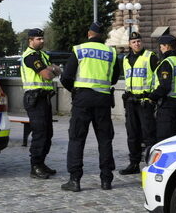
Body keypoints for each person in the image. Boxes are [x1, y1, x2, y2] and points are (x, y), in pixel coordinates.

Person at [60, 22, 120, 192]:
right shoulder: (111, 52)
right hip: (103, 99)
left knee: (77, 139)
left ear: (89, 33)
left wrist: (75, 91)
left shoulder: (79, 49)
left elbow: (66, 77)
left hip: (82, 100)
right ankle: (106, 180)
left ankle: (75, 180)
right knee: (105, 139)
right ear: (103, 36)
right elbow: (114, 78)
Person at [20, 28, 62, 180]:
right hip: (34, 98)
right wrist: (51, 69)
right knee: (40, 133)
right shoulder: (30, 56)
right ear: (30, 40)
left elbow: (57, 70)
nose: (42, 41)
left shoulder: (43, 55)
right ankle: (35, 166)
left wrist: (52, 69)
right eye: (38, 39)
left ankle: (42, 163)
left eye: (42, 38)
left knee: (47, 133)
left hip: (44, 98)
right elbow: (48, 75)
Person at [118, 31, 158, 175]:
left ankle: (152, 164)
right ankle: (134, 163)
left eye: (139, 41)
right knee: (132, 134)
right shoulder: (125, 59)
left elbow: (157, 78)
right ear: (129, 44)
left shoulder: (150, 57)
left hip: (145, 101)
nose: (137, 44)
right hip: (130, 102)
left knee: (149, 134)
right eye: (134, 42)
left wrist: (153, 97)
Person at [149, 34, 176, 143]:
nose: (160, 48)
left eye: (161, 45)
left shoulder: (167, 63)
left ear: (166, 46)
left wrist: (152, 97)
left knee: (163, 138)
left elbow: (165, 86)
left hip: (167, 104)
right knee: (174, 137)